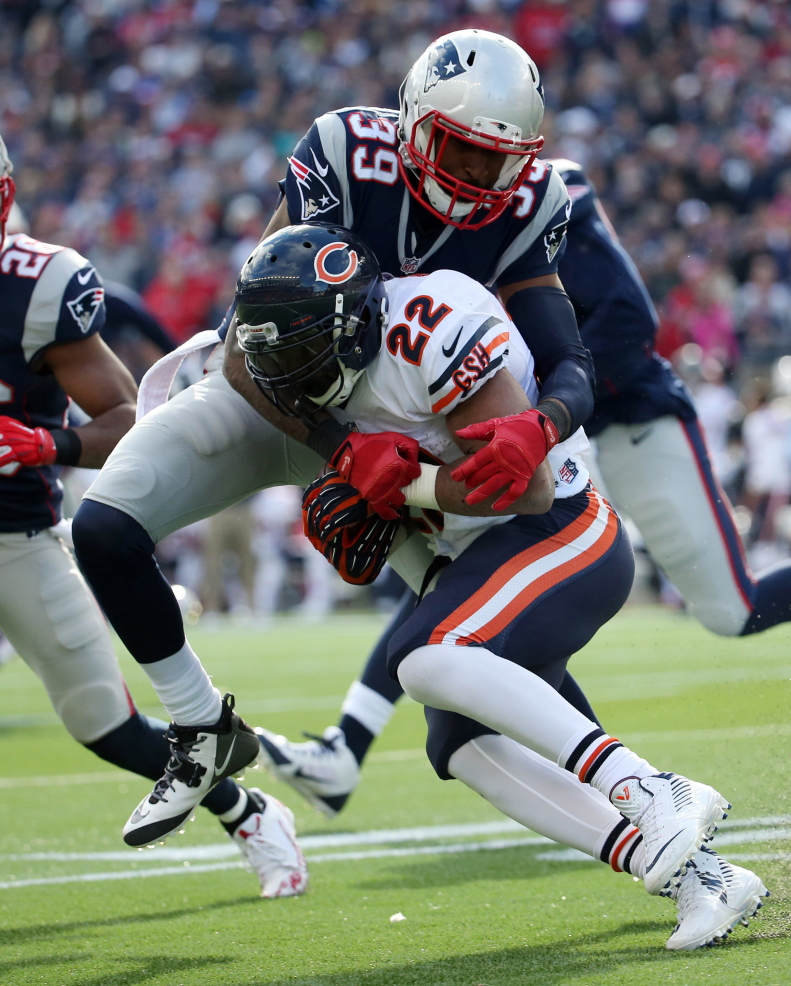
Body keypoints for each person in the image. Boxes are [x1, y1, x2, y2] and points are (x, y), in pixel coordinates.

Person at [256, 160, 791, 846]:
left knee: (730, 606)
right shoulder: (431, 227)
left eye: (485, 173)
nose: (465, 200)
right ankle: (376, 748)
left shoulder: (540, 200)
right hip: (532, 436)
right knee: (453, 597)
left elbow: (623, 327)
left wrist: (532, 411)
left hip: (618, 416)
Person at [71, 29, 595, 847]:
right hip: (277, 405)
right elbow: (254, 333)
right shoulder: (347, 150)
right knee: (102, 528)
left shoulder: (531, 203)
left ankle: (649, 808)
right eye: (461, 151)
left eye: (498, 161)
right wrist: (340, 448)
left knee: (495, 644)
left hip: (401, 434)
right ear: (415, 122)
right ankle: (203, 727)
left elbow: (569, 354)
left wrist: (546, 421)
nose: (477, 179)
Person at [236, 222, 769, 951]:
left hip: (562, 526)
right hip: (482, 561)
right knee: (459, 744)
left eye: (303, 349)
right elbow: (240, 373)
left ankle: (651, 788)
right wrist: (350, 467)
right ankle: (699, 880)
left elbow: (530, 487)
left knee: (423, 657)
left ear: (351, 322)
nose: (292, 374)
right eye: (280, 356)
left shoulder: (426, 327)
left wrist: (410, 483)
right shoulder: (286, 368)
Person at [0, 134, 306, 898]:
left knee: (101, 721)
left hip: (14, 537)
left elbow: (124, 420)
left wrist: (43, 441)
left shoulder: (33, 288)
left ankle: (248, 811)